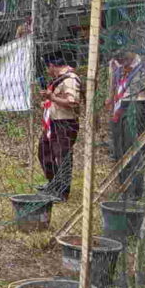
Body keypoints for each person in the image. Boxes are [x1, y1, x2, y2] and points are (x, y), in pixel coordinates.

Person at [107, 44, 145, 200]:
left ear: (133, 50)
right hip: (118, 108)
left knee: (133, 149)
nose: (121, 61)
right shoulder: (116, 64)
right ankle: (123, 188)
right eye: (119, 58)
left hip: (137, 105)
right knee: (119, 150)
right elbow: (113, 87)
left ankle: (135, 192)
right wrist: (110, 100)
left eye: (124, 57)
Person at [37, 51, 81, 201]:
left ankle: (62, 192)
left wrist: (52, 97)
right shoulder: (58, 79)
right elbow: (57, 101)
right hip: (53, 122)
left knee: (63, 158)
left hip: (65, 124)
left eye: (47, 67)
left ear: (51, 66)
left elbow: (72, 102)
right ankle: (54, 184)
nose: (47, 71)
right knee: (44, 152)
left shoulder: (70, 79)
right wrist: (47, 102)